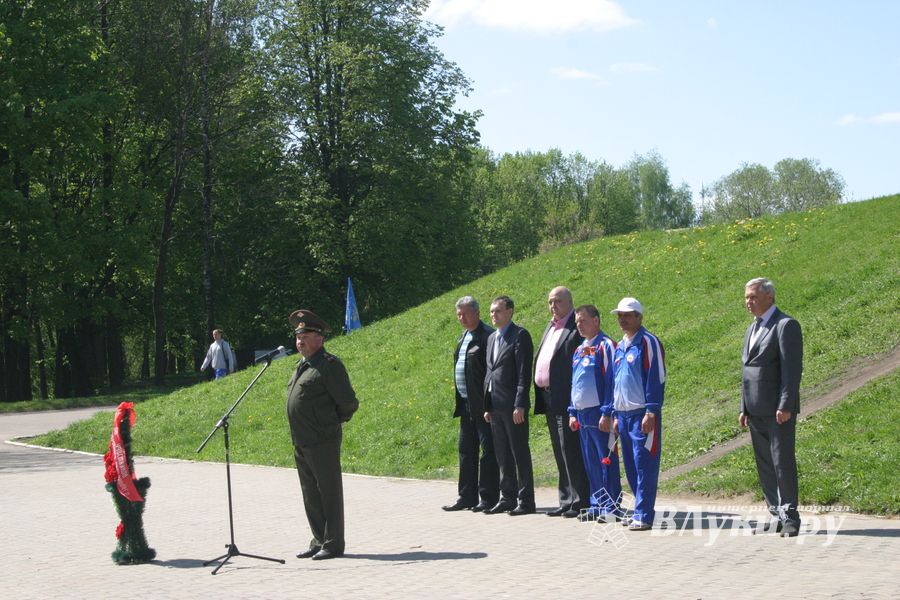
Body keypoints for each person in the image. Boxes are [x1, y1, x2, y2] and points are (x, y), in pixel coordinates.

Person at [287, 309, 359, 560]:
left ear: (320, 338)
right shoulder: (302, 366)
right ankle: (318, 539)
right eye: (297, 336)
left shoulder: (329, 365)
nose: (300, 340)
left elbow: (348, 402)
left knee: (329, 493)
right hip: (302, 441)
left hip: (322, 440)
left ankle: (333, 543)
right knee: (311, 495)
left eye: (305, 335)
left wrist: (330, 424)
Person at [740, 278, 803, 537]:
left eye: (753, 297)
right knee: (764, 463)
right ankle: (775, 513)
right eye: (746, 297)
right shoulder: (751, 329)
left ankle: (790, 517)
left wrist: (785, 404)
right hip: (755, 410)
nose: (748, 302)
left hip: (778, 410)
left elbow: (791, 369)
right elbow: (747, 371)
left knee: (782, 462)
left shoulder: (785, 326)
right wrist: (744, 406)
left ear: (769, 297)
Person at [610, 297, 665, 531]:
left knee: (644, 464)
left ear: (639, 317)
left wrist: (651, 410)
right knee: (631, 466)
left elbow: (657, 377)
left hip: (642, 413)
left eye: (628, 315)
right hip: (622, 415)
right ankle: (638, 511)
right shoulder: (620, 346)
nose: (623, 319)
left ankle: (644, 514)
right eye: (620, 315)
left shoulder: (648, 342)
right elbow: (614, 382)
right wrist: (614, 413)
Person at [533, 286, 589, 518]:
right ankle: (566, 499)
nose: (553, 306)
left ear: (569, 302)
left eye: (557, 301)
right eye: (550, 302)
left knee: (571, 449)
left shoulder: (574, 328)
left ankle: (579, 500)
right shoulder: (551, 326)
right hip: (548, 397)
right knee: (559, 449)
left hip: (567, 398)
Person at [443, 296, 499, 513]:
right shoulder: (463, 337)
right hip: (465, 405)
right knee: (466, 450)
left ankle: (488, 497)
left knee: (488, 451)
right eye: (458, 314)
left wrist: (489, 404)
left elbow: (491, 373)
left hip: (483, 405)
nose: (462, 318)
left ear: (477, 312)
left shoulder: (487, 336)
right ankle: (466, 496)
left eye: (465, 313)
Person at [483, 295, 535, 516]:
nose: (494, 315)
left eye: (498, 311)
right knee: (502, 454)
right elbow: (490, 373)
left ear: (510, 312)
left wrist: (520, 404)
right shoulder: (492, 338)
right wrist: (487, 406)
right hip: (495, 407)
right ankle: (507, 497)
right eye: (492, 311)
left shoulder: (519, 335)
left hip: (513, 407)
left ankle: (526, 500)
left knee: (519, 453)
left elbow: (524, 374)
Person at [568, 304, 621, 522]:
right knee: (590, 462)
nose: (579, 325)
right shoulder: (580, 349)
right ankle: (597, 504)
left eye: (583, 321)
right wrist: (572, 411)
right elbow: (575, 382)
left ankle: (612, 507)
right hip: (582, 415)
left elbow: (611, 380)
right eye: (577, 321)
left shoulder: (606, 346)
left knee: (606, 460)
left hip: (600, 414)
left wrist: (607, 412)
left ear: (596, 321)